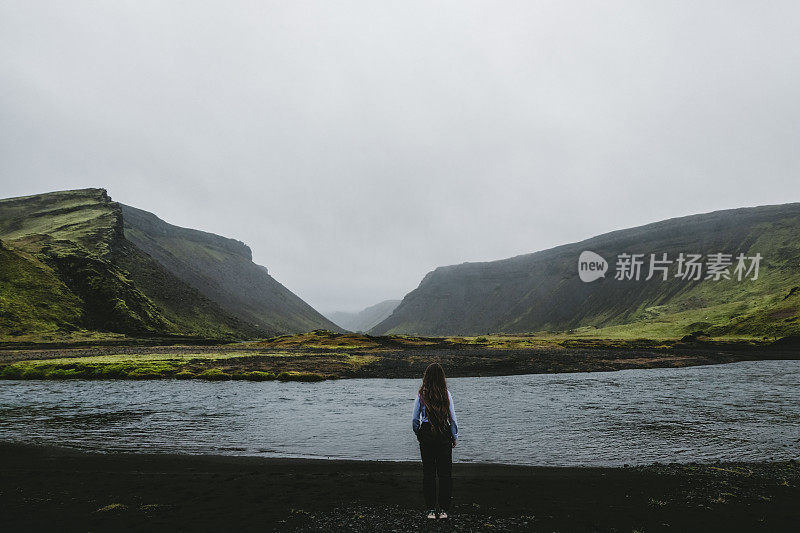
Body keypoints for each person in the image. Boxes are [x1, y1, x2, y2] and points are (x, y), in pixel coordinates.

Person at [412, 362, 458, 520]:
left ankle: (431, 510)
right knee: (445, 474)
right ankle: (444, 510)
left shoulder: (421, 394)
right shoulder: (446, 393)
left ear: (427, 377)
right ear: (442, 378)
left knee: (429, 473)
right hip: (444, 433)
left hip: (426, 433)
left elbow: (414, 419)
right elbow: (452, 418)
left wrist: (419, 433)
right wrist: (454, 436)